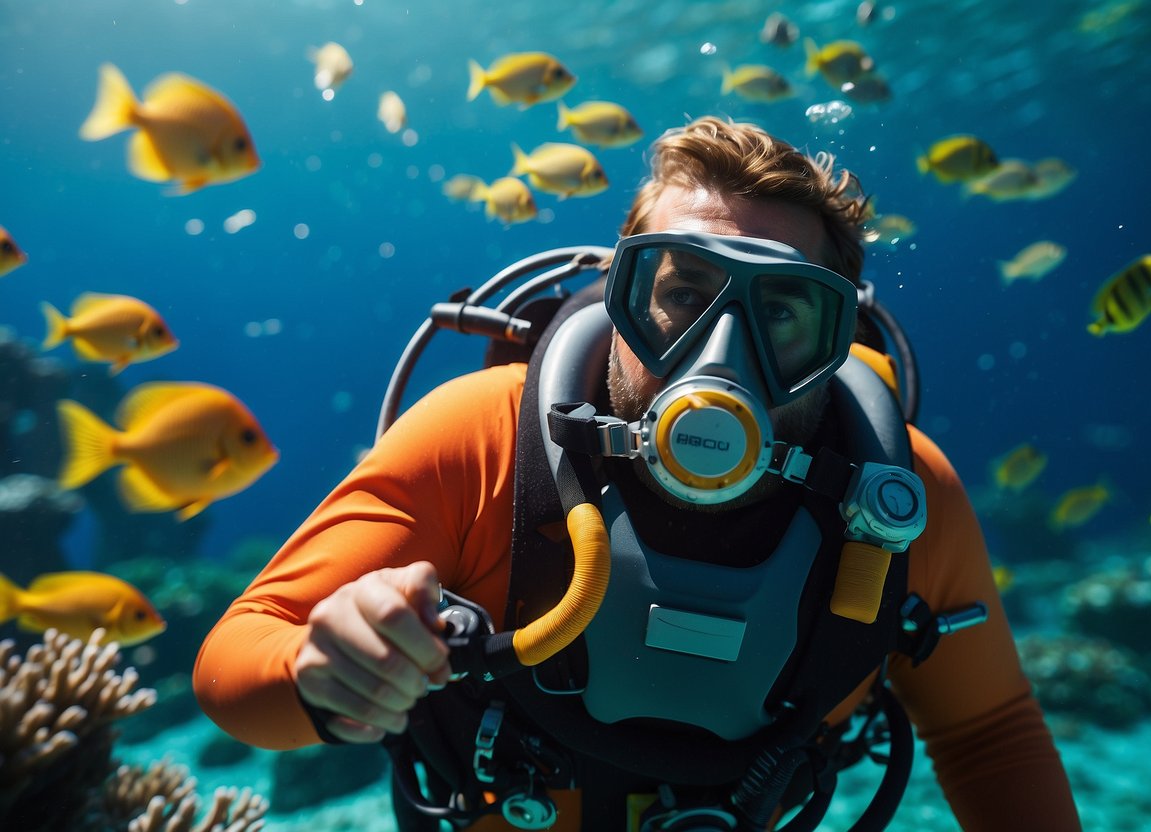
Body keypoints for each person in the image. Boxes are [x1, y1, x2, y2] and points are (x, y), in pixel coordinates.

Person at [194, 116, 1081, 831]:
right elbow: (236, 666)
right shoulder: (482, 436)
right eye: (684, 293)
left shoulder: (899, 495)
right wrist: (318, 671)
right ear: (622, 297)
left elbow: (986, 734)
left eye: (781, 312)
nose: (720, 356)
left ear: (835, 340)